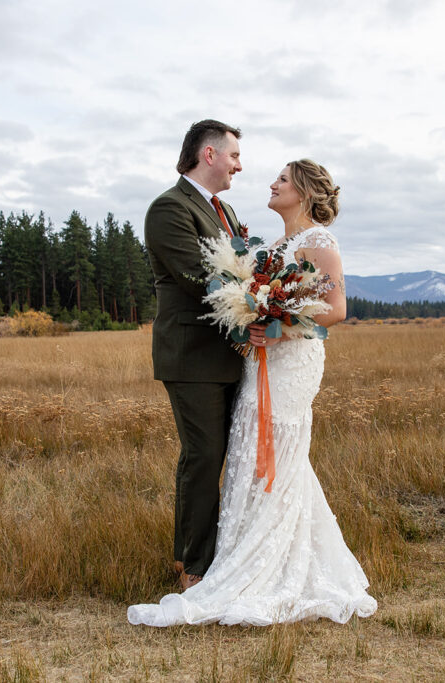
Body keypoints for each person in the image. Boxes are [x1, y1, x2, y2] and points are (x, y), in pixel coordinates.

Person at [129, 159, 378, 626]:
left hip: (291, 363)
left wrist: (280, 327)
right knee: (246, 451)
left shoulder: (319, 241)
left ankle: (275, 569)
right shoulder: (275, 246)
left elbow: (337, 308)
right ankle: (247, 559)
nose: (271, 183)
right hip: (258, 363)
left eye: (281, 179)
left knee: (279, 454)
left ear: (302, 191)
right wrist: (256, 318)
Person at [144, 119, 245, 591]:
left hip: (231, 354)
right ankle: (192, 566)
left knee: (232, 453)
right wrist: (260, 300)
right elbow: (198, 277)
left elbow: (245, 264)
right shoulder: (168, 208)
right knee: (204, 456)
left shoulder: (224, 211)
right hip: (192, 356)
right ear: (209, 155)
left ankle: (227, 553)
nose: (238, 166)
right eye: (233, 156)